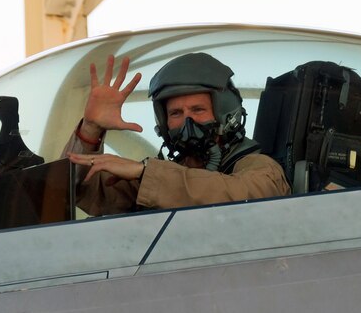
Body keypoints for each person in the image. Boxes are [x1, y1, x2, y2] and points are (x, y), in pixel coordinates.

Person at [63, 53, 290, 215]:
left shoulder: (260, 167)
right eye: (176, 113)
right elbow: (76, 190)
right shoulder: (155, 179)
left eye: (198, 110)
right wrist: (91, 129)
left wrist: (145, 172)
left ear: (225, 114)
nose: (186, 121)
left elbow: (244, 197)